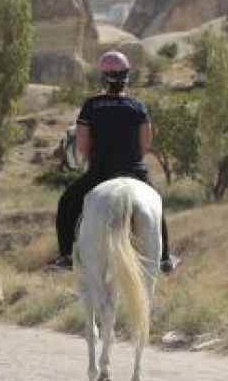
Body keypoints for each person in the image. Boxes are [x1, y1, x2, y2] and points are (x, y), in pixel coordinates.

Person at [49, 50, 179, 274]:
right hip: (134, 171)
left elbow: (82, 144)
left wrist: (95, 160)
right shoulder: (138, 106)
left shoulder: (91, 106)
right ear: (126, 78)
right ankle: (164, 258)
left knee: (66, 203)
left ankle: (67, 255)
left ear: (103, 78)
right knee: (156, 205)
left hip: (100, 171)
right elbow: (145, 144)